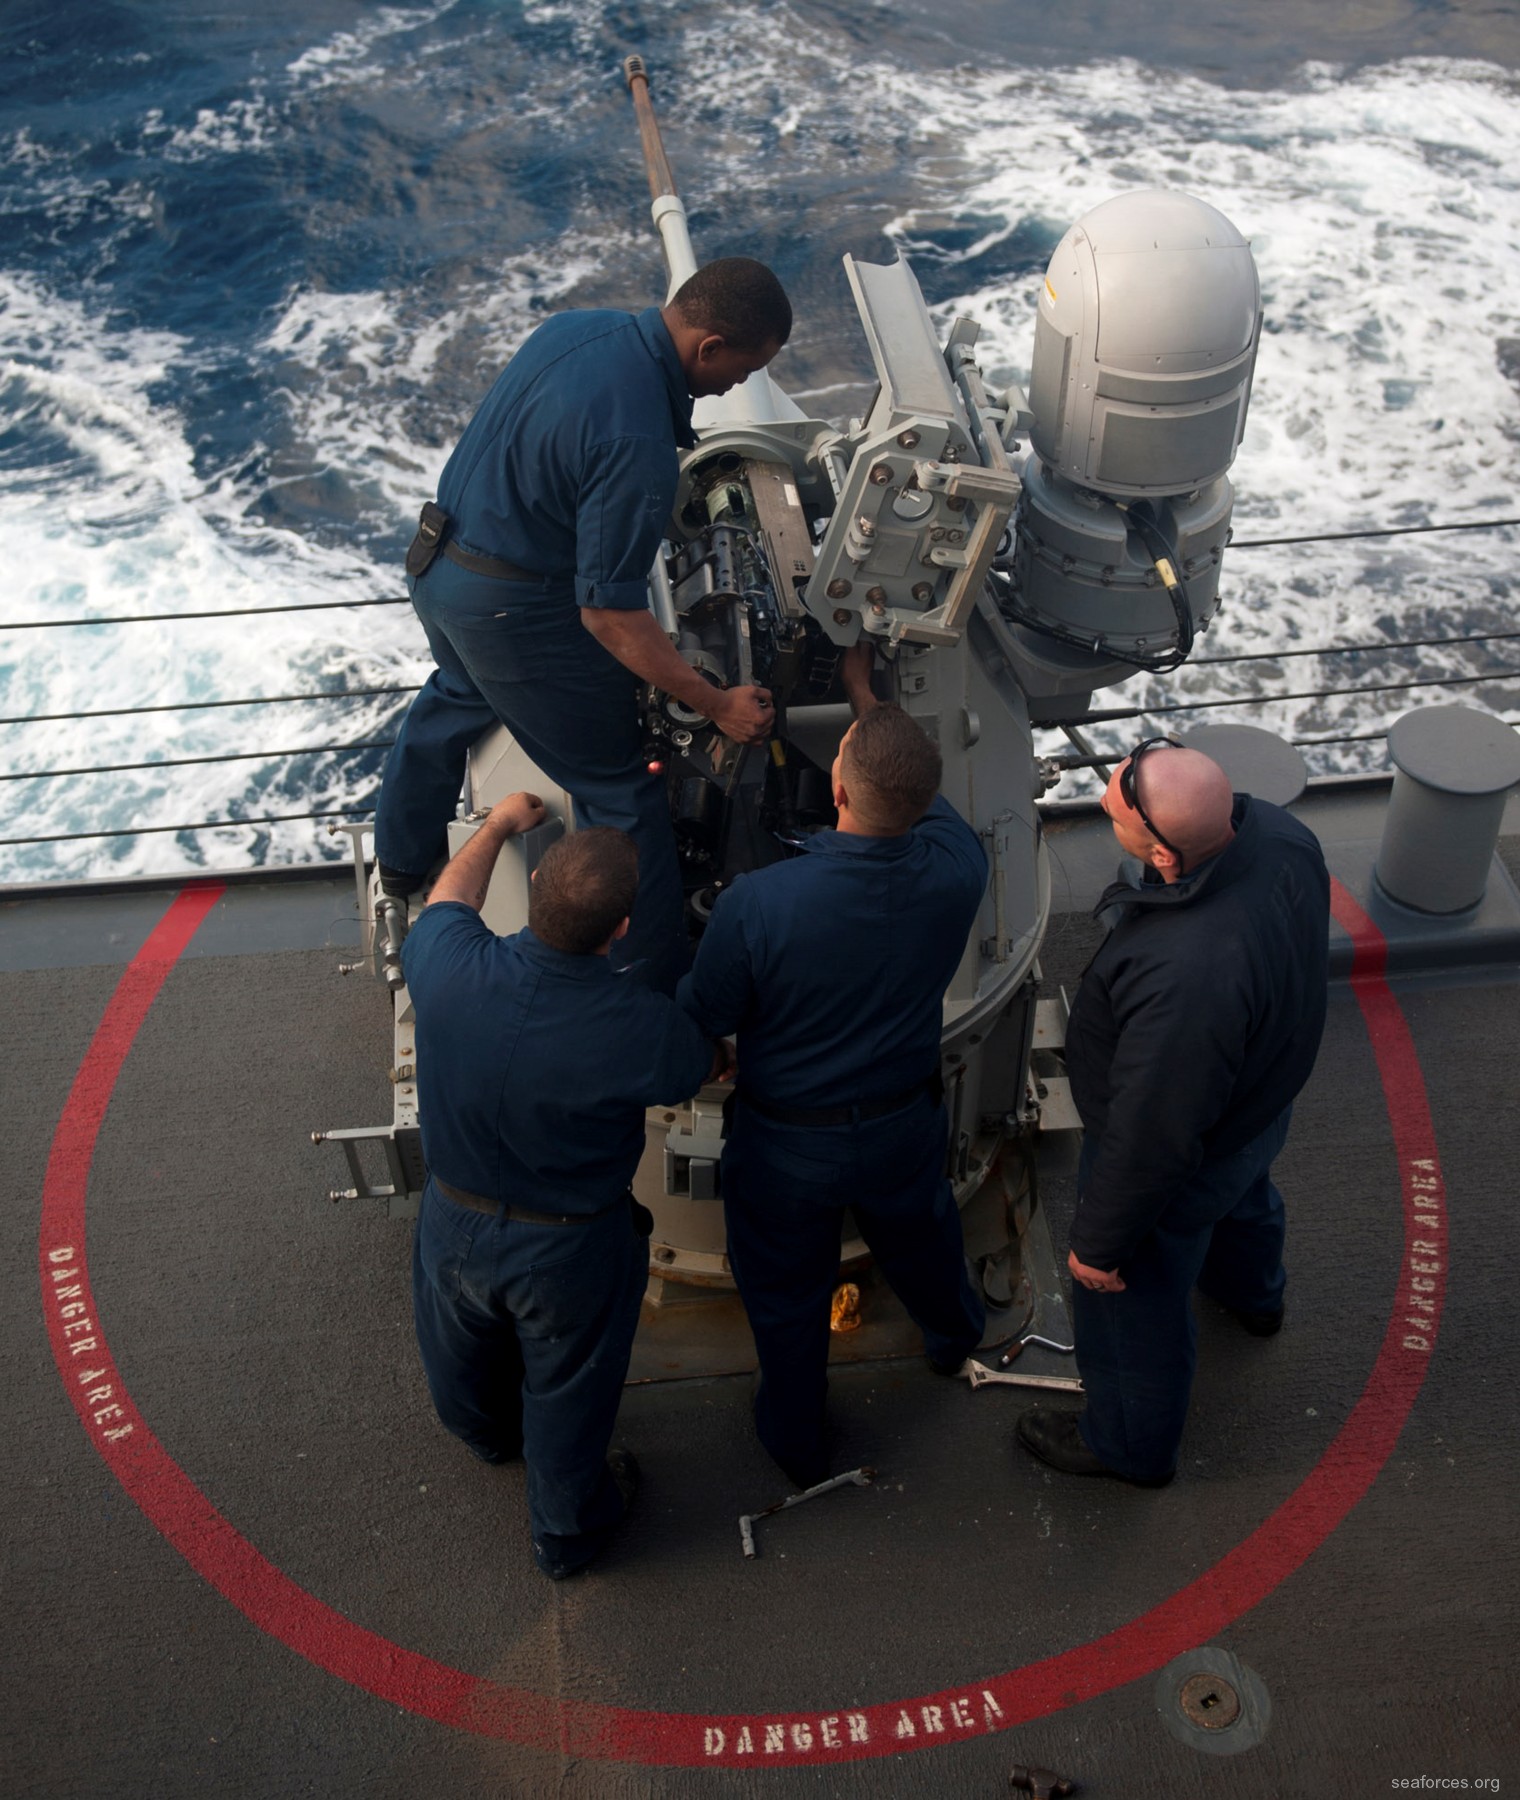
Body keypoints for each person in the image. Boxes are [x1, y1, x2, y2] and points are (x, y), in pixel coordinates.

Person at [374, 258, 793, 994]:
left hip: (439, 566)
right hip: (511, 613)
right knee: (622, 793)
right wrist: (717, 703)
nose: (733, 387)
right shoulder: (636, 440)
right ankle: (648, 987)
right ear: (709, 346)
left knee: (457, 697)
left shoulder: (578, 328)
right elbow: (609, 616)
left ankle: (403, 864)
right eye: (738, 371)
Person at [677, 645, 989, 1489]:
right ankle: (957, 1337)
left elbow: (705, 1019)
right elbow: (907, 784)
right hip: (901, 1124)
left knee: (786, 1300)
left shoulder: (758, 905)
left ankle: (797, 1442)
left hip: (787, 1146)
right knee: (924, 1239)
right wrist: (863, 693)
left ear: (837, 793)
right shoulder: (960, 868)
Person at [403, 796, 723, 1578]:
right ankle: (565, 1538)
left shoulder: (445, 964)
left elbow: (452, 897)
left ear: (538, 879)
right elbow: (698, 1062)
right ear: (620, 929)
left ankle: (485, 1437)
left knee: (459, 1353)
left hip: (455, 1221)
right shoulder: (636, 1025)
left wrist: (501, 824)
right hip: (571, 1247)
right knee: (570, 1397)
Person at [1016, 738, 1330, 1488]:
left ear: (1162, 859)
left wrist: (1100, 1244)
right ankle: (1257, 1300)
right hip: (1258, 1103)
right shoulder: (1285, 839)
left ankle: (1128, 1445)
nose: (1107, 795)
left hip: (1183, 1147)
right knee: (1244, 1200)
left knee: (1132, 1310)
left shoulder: (1187, 973)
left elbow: (1153, 1133)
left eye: (1121, 801)